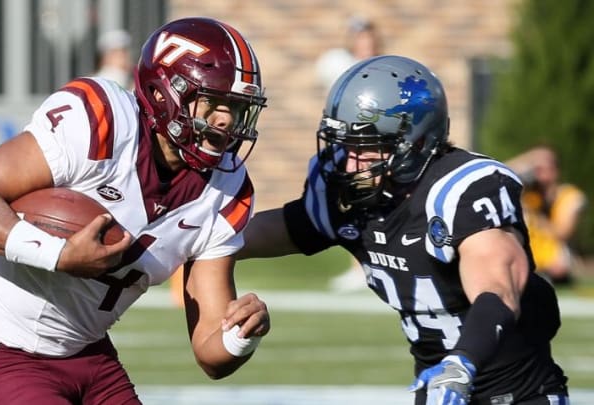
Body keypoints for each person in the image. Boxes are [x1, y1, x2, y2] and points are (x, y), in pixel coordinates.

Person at [0, 17, 271, 405]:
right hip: (3, 348)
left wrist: (241, 334)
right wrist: (57, 254)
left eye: (238, 108)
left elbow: (210, 352)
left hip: (90, 356)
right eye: (214, 103)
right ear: (165, 94)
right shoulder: (101, 122)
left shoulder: (226, 188)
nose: (226, 121)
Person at [239, 55, 569, 404]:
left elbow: (499, 289)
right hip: (435, 386)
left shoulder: (460, 190)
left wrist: (461, 364)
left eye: (366, 147)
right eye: (345, 144)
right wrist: (197, 238)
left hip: (518, 393)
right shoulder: (351, 194)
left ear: (417, 143)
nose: (351, 162)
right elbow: (282, 229)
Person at [316, 16, 382, 292]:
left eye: (367, 37)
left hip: (376, 147)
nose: (364, 43)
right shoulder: (342, 66)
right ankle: (358, 265)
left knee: (372, 202)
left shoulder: (384, 68)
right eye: (359, 38)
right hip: (349, 145)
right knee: (349, 201)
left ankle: (372, 264)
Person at [506, 145, 587, 285]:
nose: (538, 173)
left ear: (555, 170)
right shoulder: (527, 196)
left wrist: (535, 213)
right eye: (535, 168)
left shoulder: (568, 195)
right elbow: (496, 173)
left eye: (543, 168)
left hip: (555, 262)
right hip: (526, 256)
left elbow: (562, 232)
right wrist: (528, 158)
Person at [315, 16, 381, 90]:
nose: (368, 42)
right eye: (362, 38)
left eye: (370, 37)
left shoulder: (383, 64)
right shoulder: (337, 60)